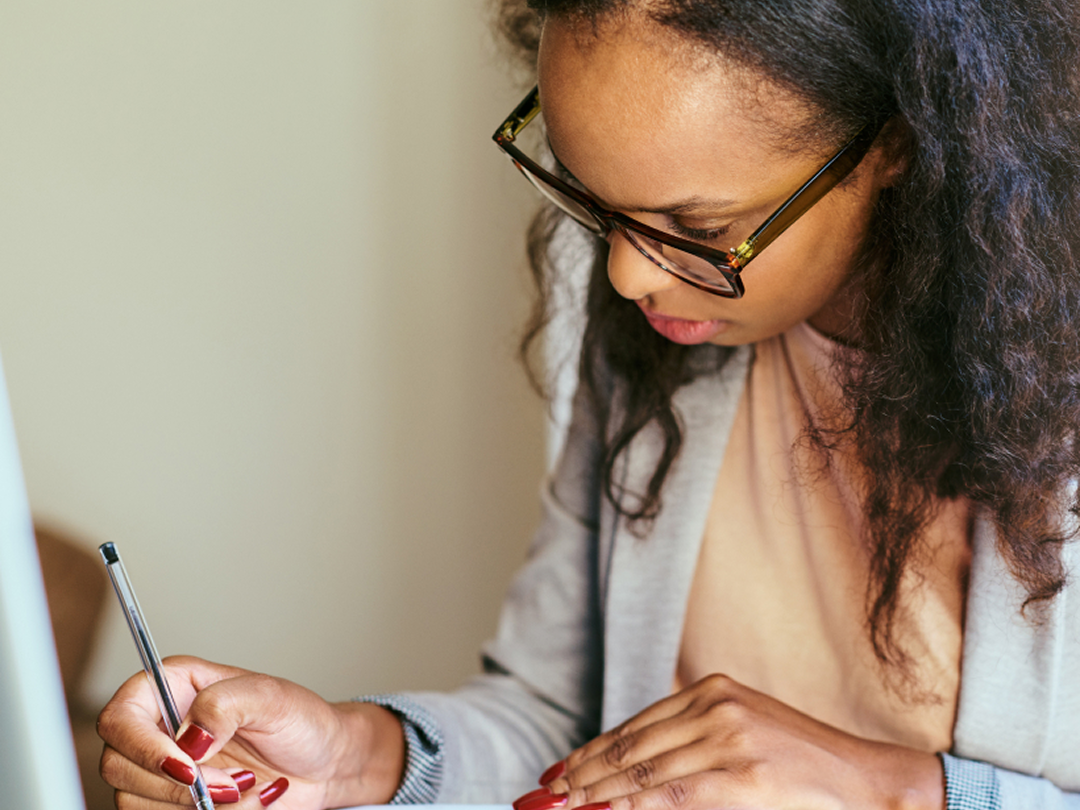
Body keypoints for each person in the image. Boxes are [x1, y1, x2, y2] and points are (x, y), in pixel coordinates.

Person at [97, 0, 1080, 808]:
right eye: (601, 204)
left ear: (897, 143)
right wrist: (356, 756)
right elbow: (563, 720)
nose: (623, 278)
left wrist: (896, 791)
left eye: (700, 227)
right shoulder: (671, 345)